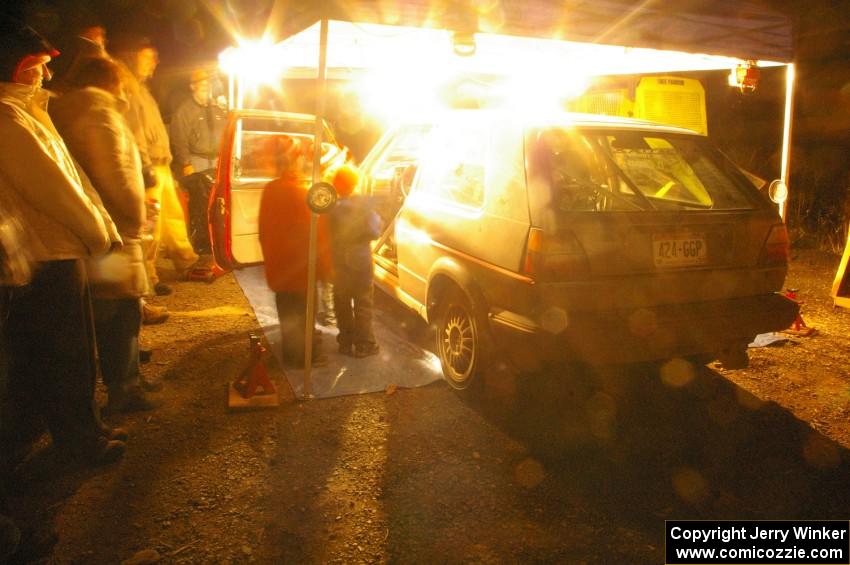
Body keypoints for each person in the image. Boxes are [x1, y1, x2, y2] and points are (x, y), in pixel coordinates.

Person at [0, 19, 126, 464]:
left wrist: (100, 229)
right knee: (65, 354)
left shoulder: (28, 112)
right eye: (35, 67)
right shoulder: (8, 118)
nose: (46, 75)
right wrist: (98, 235)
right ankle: (80, 442)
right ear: (12, 69)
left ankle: (84, 427)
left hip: (59, 249)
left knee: (71, 349)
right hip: (51, 254)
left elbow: (70, 178)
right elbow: (53, 190)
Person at [50, 56, 159, 413]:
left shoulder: (64, 111)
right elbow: (118, 175)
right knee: (119, 309)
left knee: (108, 308)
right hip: (112, 232)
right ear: (113, 81)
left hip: (89, 228)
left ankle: (123, 381)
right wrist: (136, 215)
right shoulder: (100, 115)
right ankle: (123, 388)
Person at [112, 34, 198, 297]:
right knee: (152, 225)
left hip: (160, 164)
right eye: (148, 57)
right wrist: (144, 166)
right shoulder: (125, 88)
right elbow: (132, 130)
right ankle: (148, 276)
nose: (155, 62)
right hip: (146, 166)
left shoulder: (142, 89)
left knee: (172, 218)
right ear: (132, 57)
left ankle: (187, 261)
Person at [258, 138, 331, 367]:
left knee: (287, 311)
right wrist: (325, 267)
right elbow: (318, 235)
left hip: (280, 267)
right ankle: (305, 356)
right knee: (305, 313)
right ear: (296, 160)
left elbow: (263, 229)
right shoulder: (304, 192)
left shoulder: (271, 189)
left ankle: (291, 352)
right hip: (302, 268)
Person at [328, 164, 383, 358]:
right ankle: (364, 345)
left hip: (338, 260)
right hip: (360, 260)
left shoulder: (330, 206)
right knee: (362, 302)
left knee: (341, 301)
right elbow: (376, 231)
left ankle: (345, 342)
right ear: (354, 184)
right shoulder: (363, 205)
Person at [170, 68, 226, 257]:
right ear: (192, 87)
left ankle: (216, 240)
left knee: (218, 201)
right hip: (197, 160)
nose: (205, 89)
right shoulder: (185, 111)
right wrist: (186, 164)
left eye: (208, 85)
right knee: (199, 203)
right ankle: (200, 242)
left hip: (217, 160)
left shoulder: (218, 109)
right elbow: (179, 139)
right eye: (201, 86)